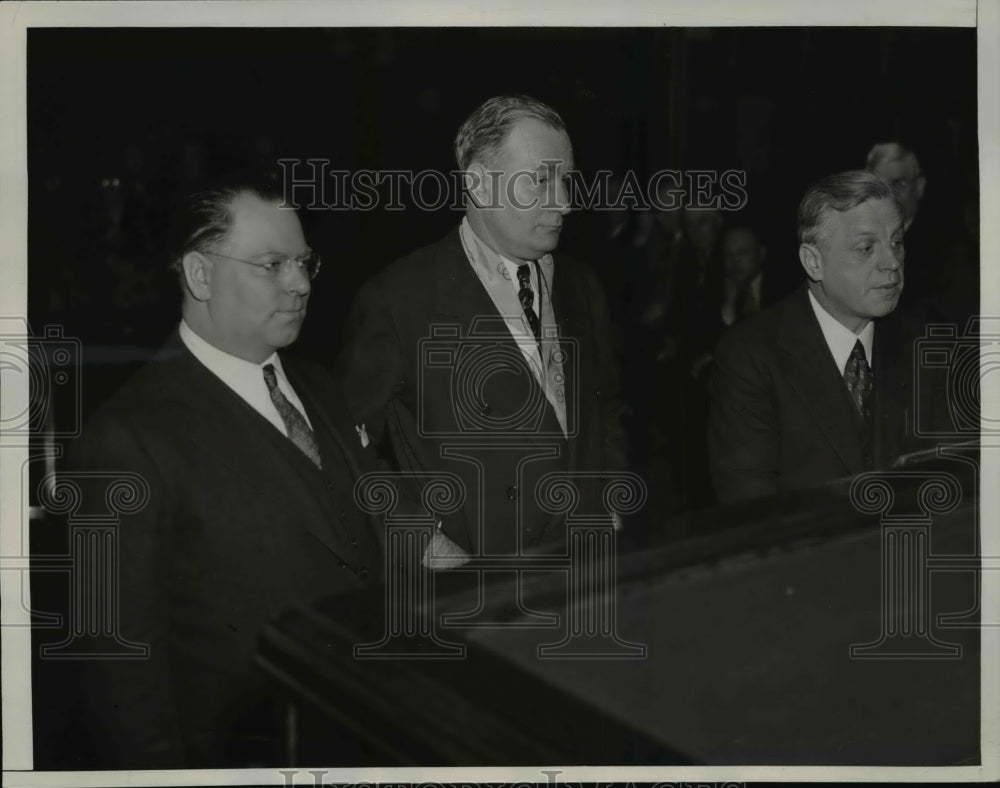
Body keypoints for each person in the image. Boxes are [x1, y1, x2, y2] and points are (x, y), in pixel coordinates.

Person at [61, 171, 384, 768]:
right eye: (271, 264)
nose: (299, 284)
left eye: (305, 263)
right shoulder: (123, 438)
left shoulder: (321, 388)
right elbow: (120, 681)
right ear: (200, 274)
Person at [335, 95, 627, 562]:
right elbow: (344, 451)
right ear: (479, 183)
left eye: (567, 180)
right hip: (472, 584)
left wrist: (610, 502)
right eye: (541, 181)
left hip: (581, 571)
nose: (565, 203)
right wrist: (426, 544)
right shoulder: (398, 300)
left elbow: (607, 407)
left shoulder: (581, 285)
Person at [708, 170, 933, 504]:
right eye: (866, 247)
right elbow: (751, 511)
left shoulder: (925, 343)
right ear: (813, 262)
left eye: (896, 241)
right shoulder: (750, 356)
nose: (892, 263)